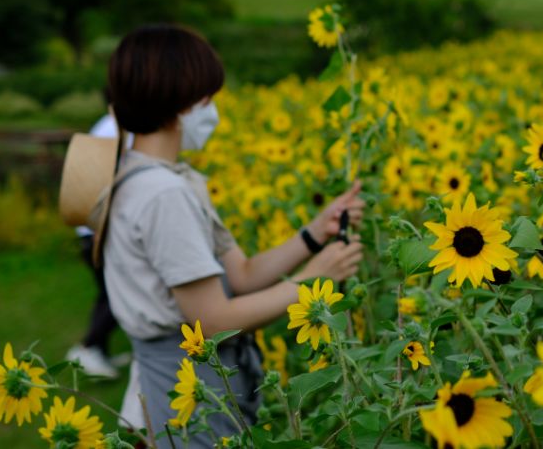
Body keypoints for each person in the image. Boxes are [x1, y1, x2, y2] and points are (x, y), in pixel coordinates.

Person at [98, 24, 364, 447]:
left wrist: (314, 235)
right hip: (190, 400)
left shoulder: (155, 178)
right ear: (177, 100)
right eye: (207, 98)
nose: (213, 110)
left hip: (195, 387)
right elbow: (213, 320)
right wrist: (315, 282)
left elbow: (239, 274)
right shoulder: (163, 195)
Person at [65, 108, 131, 379]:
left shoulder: (105, 126)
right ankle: (87, 347)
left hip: (90, 227)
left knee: (108, 292)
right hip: (97, 230)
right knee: (120, 293)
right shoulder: (114, 131)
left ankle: (98, 351)